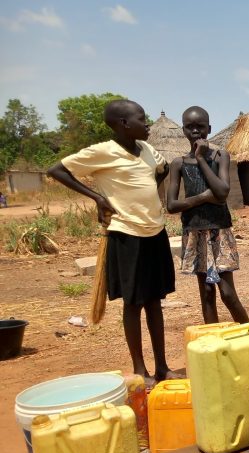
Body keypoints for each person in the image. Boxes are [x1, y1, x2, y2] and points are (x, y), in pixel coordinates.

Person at [48, 99, 175, 387]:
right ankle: (140, 370)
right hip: (126, 234)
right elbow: (56, 170)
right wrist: (98, 198)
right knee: (134, 303)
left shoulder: (147, 150)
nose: (148, 124)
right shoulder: (103, 152)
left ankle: (163, 366)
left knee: (155, 301)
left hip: (155, 232)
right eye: (142, 119)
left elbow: (162, 170)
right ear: (123, 124)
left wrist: (146, 196)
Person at [166, 106, 249, 325]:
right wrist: (203, 197)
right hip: (193, 231)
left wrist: (201, 158)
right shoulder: (178, 164)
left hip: (219, 230)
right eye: (190, 127)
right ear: (183, 130)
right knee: (206, 294)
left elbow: (222, 194)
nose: (195, 131)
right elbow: (172, 205)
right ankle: (214, 346)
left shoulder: (220, 156)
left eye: (200, 126)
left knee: (228, 293)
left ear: (209, 129)